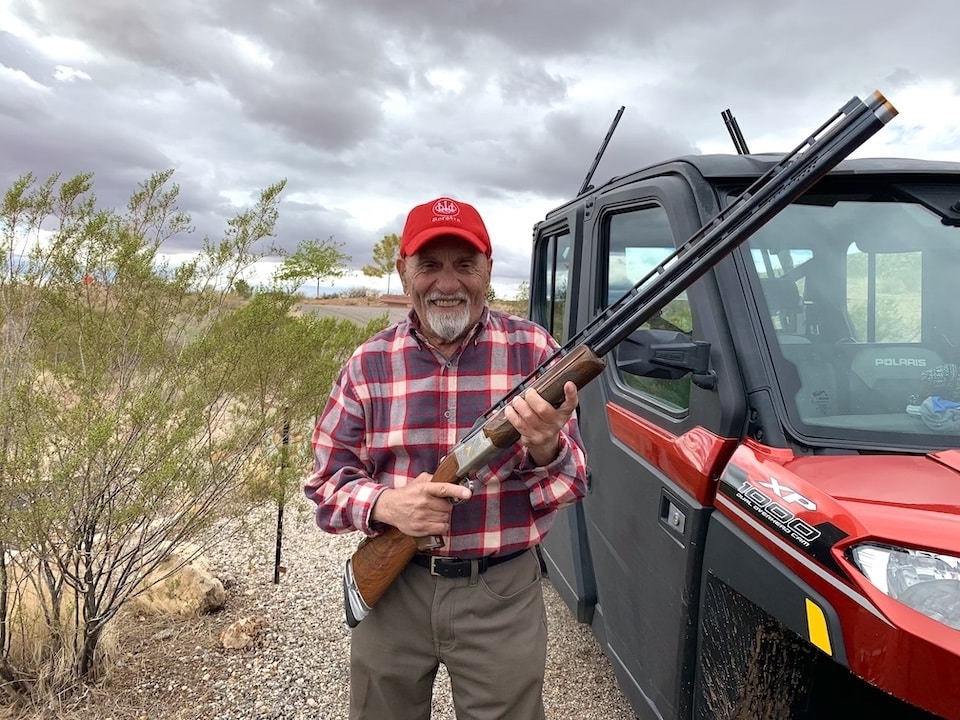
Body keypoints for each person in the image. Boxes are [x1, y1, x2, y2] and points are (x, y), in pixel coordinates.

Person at [304, 196, 588, 720]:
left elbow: (569, 488)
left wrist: (546, 446)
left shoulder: (535, 353)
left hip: (501, 591)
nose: (448, 283)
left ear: (489, 269)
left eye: (465, 265)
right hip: (395, 590)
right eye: (430, 265)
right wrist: (389, 505)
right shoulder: (368, 364)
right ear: (403, 270)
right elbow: (324, 482)